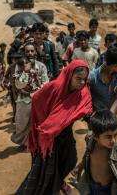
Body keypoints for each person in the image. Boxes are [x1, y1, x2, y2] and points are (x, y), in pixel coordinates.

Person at [16, 60, 93, 195]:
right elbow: (37, 99)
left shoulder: (82, 92)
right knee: (48, 169)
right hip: (50, 138)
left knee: (70, 161)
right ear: (69, 75)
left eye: (84, 79)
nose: (82, 82)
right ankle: (51, 188)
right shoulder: (54, 87)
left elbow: (86, 109)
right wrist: (47, 123)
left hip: (66, 133)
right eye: (78, 79)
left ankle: (58, 183)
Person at [11, 43, 49, 149]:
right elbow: (18, 84)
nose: (30, 53)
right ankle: (23, 143)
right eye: (27, 51)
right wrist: (24, 74)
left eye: (32, 51)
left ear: (35, 52)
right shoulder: (19, 66)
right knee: (21, 123)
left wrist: (37, 91)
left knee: (39, 122)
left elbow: (46, 83)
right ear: (24, 53)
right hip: (24, 100)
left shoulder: (41, 66)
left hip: (39, 99)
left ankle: (37, 143)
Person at [89, 43, 117, 115]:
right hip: (95, 118)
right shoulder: (92, 77)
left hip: (111, 115)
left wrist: (110, 116)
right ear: (116, 65)